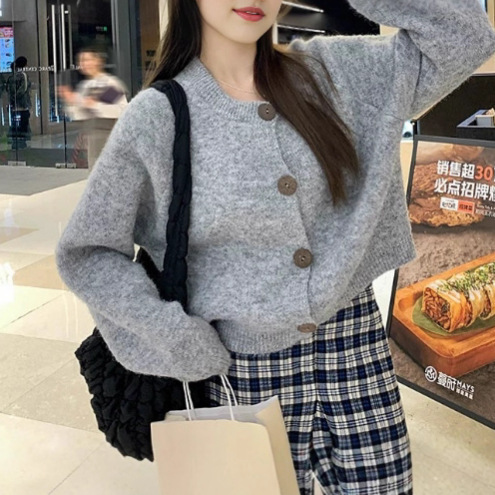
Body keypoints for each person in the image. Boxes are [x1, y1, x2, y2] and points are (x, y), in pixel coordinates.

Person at [55, 1, 495, 493]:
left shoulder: (336, 73)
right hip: (239, 373)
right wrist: (171, 336)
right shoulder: (158, 117)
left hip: (357, 352)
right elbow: (88, 251)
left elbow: (465, 37)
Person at [58, 47, 128, 171]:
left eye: (88, 60)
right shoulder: (86, 86)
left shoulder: (109, 83)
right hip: (92, 139)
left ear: (98, 61)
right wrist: (72, 101)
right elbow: (80, 114)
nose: (85, 64)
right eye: (82, 61)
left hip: (109, 137)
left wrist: (92, 104)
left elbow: (120, 110)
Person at [6, 57, 32, 150]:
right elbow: (23, 89)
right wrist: (17, 97)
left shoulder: (11, 77)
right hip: (22, 105)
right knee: (23, 125)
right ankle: (22, 144)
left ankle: (15, 143)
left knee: (15, 125)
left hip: (14, 105)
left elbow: (8, 90)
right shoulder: (23, 75)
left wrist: (13, 99)